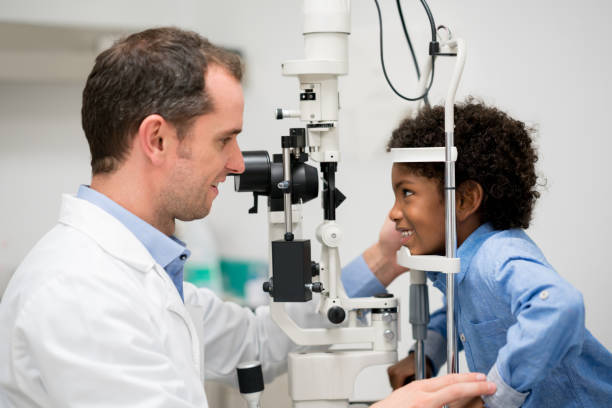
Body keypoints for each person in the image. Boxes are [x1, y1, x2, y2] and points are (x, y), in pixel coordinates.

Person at [0, 28, 495, 407]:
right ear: (157, 140)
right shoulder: (79, 294)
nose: (238, 163)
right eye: (224, 139)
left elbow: (260, 339)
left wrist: (384, 259)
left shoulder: (144, 274)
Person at [351, 100, 612, 407]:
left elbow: (559, 306)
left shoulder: (497, 255)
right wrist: (427, 354)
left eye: (407, 193)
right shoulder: (466, 263)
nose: (394, 213)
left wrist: (495, 398)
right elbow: (461, 312)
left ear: (463, 200)